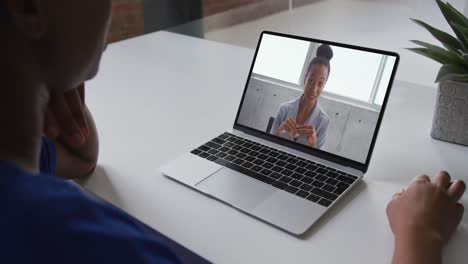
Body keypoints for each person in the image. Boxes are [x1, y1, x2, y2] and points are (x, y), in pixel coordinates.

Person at [1, 1, 465, 263]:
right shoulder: (82, 242)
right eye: (311, 78)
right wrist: (419, 235)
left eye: (322, 82)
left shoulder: (21, 177)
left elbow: (79, 160)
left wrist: (55, 81)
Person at [270, 44, 332, 149]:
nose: (313, 89)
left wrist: (313, 145)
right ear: (305, 79)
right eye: (311, 80)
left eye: (320, 83)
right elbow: (268, 144)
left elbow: (318, 162)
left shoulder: (323, 121)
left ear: (324, 85)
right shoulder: (284, 109)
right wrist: (279, 131)